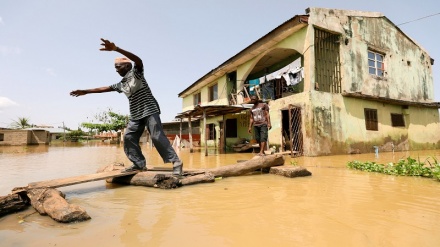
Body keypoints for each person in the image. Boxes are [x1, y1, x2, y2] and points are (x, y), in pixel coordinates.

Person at [70, 38, 183, 175]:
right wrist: (86, 91)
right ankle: (139, 163)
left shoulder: (137, 73)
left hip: (149, 109)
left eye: (118, 67)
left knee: (156, 136)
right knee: (129, 137)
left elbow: (138, 60)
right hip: (136, 114)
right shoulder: (121, 84)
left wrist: (116, 49)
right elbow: (105, 88)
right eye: (115, 68)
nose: (116, 70)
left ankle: (176, 162)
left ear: (127, 66)